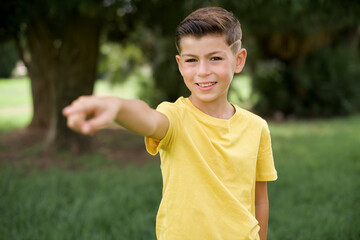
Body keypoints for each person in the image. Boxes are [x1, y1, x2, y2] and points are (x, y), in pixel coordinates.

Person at [63, 6, 277, 240]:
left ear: (238, 60)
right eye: (192, 60)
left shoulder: (257, 127)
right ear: (180, 64)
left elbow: (259, 199)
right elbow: (148, 118)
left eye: (215, 58)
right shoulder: (174, 117)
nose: (203, 71)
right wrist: (119, 107)